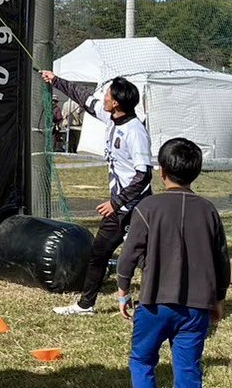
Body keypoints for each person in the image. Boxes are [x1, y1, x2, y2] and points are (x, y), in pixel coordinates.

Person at [116, 137, 230, 388]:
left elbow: (128, 256)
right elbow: (222, 260)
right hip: (196, 308)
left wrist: (123, 290)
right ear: (196, 172)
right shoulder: (209, 210)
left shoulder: (146, 208)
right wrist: (219, 298)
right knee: (189, 377)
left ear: (161, 172)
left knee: (141, 360)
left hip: (153, 304)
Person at [40, 70, 152, 315]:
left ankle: (155, 304)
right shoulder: (112, 117)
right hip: (117, 208)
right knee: (99, 252)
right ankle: (86, 305)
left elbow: (144, 175)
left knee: (145, 259)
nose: (103, 98)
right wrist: (56, 80)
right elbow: (85, 99)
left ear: (117, 103)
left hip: (136, 207)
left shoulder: (135, 131)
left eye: (108, 95)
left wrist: (117, 201)